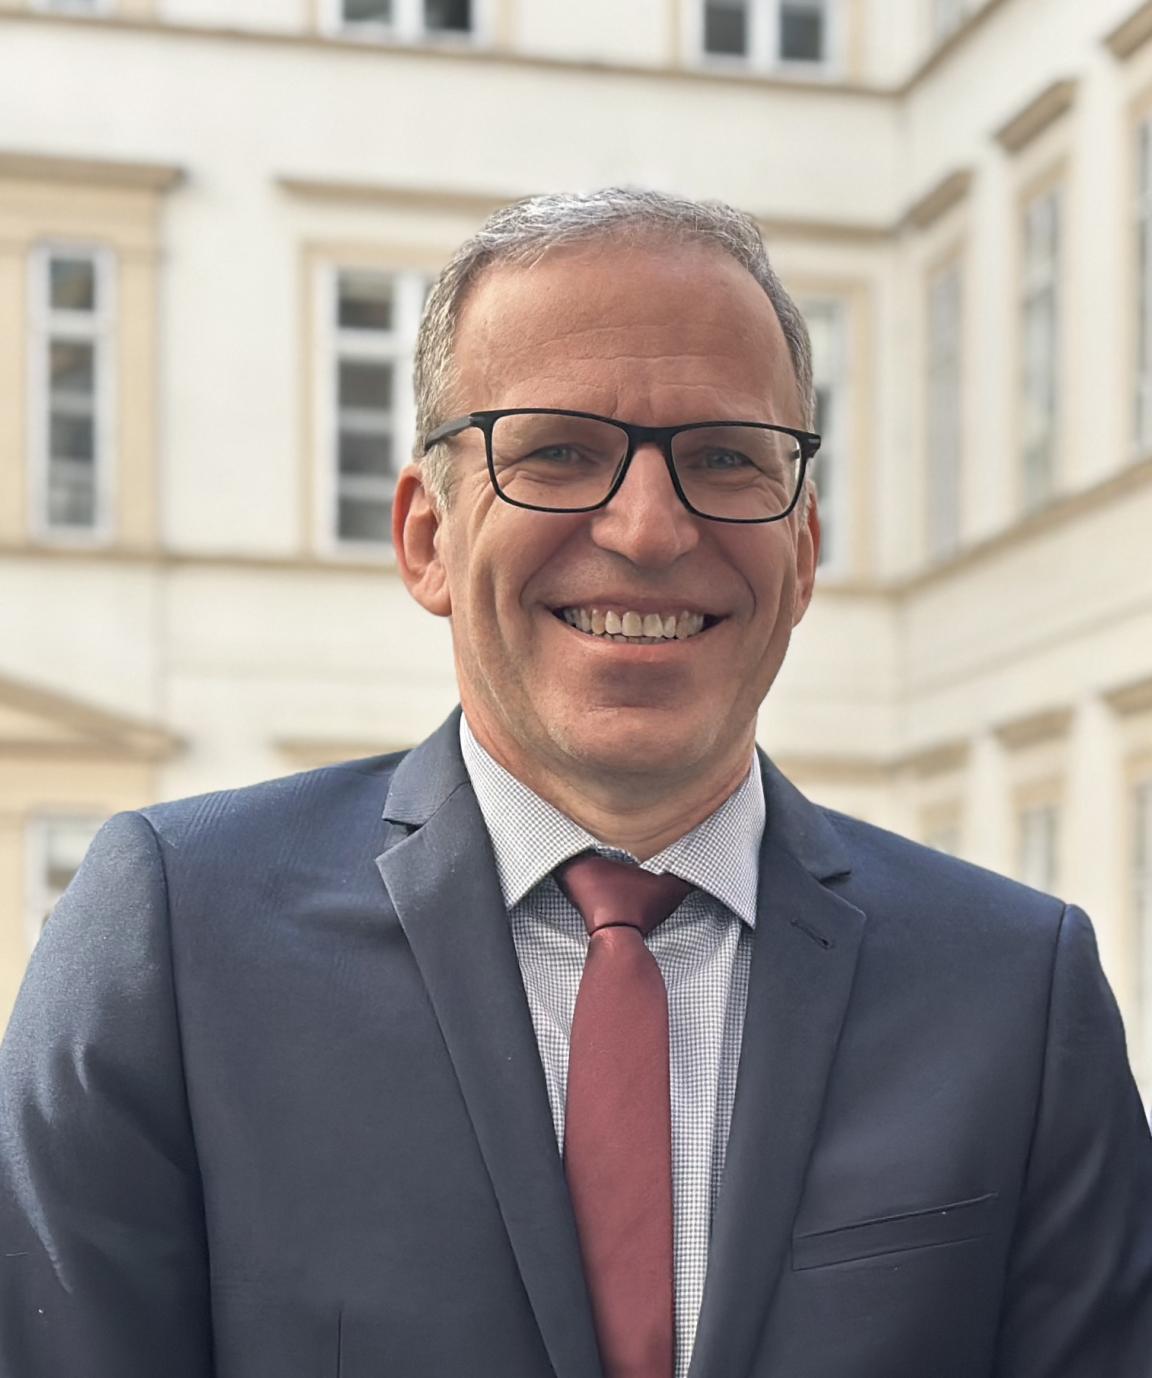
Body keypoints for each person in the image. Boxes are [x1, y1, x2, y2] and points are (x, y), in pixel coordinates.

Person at [2, 188, 1151, 1378]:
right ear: (426, 538)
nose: (649, 528)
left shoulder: (1014, 992)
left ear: (804, 550)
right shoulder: (176, 947)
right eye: (557, 450)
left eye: (722, 457)